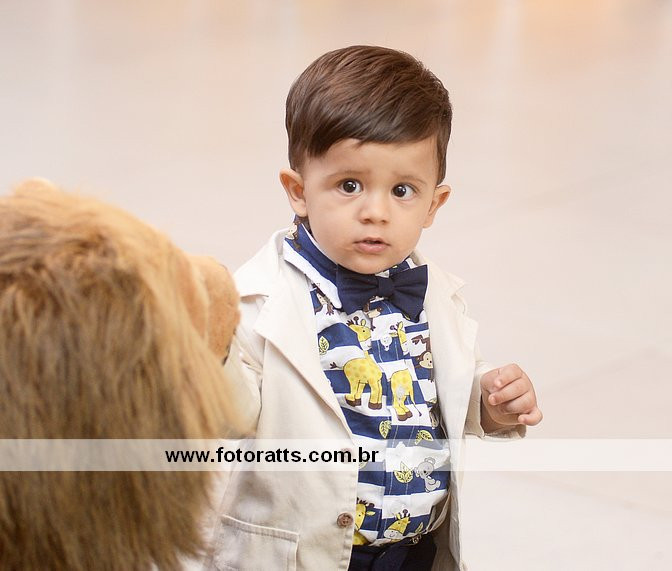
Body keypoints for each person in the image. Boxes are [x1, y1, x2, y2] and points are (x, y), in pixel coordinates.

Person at [212, 45, 542, 571]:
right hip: (303, 555)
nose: (376, 212)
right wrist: (209, 353)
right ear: (298, 191)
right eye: (349, 186)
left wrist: (486, 401)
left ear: (434, 204)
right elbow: (222, 413)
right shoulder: (257, 303)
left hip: (413, 552)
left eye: (403, 190)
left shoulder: (430, 291)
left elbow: (438, 391)